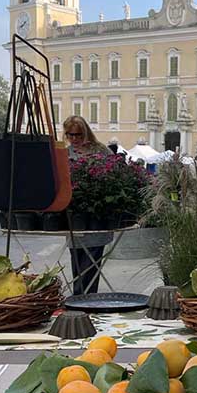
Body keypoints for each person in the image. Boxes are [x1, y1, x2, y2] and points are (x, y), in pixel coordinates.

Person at [64, 116, 112, 295]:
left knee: (92, 259)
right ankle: (80, 297)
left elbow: (113, 173)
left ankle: (85, 298)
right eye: (70, 135)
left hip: (96, 211)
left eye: (78, 134)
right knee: (76, 257)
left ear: (85, 133)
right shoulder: (67, 153)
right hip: (73, 212)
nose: (74, 139)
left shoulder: (100, 150)